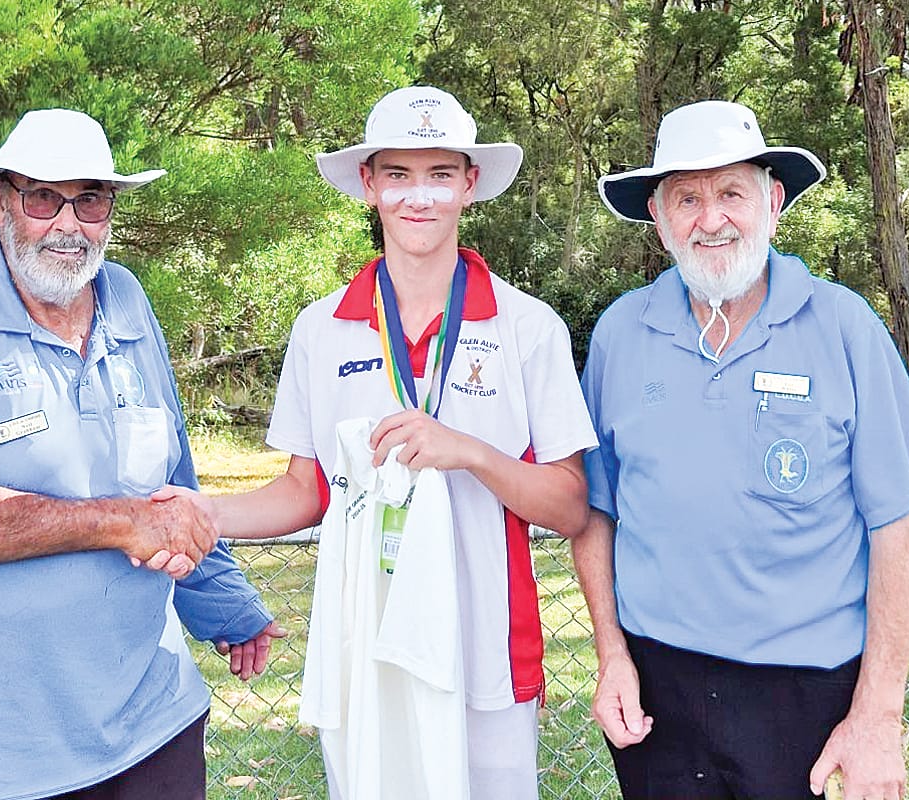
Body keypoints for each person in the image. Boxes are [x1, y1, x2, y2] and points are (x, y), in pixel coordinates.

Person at [153, 85, 598, 799]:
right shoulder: (321, 327)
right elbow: (305, 492)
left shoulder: (527, 326)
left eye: (439, 175)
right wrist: (194, 509)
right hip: (364, 645)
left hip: (487, 654)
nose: (418, 198)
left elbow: (571, 507)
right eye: (398, 175)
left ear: (470, 184)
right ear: (368, 185)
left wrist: (471, 452)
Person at [0, 108, 285, 800]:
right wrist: (118, 521)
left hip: (148, 723)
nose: (68, 223)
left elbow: (170, 478)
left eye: (90, 199)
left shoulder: (128, 300)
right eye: (43, 197)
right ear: (0, 204)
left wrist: (220, 599)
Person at [573, 99, 909, 800]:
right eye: (686, 197)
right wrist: (611, 657)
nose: (709, 218)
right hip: (659, 690)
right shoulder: (621, 333)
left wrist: (877, 715)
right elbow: (595, 513)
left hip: (806, 693)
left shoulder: (844, 326)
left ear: (773, 203)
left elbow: (898, 531)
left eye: (730, 193)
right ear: (657, 219)